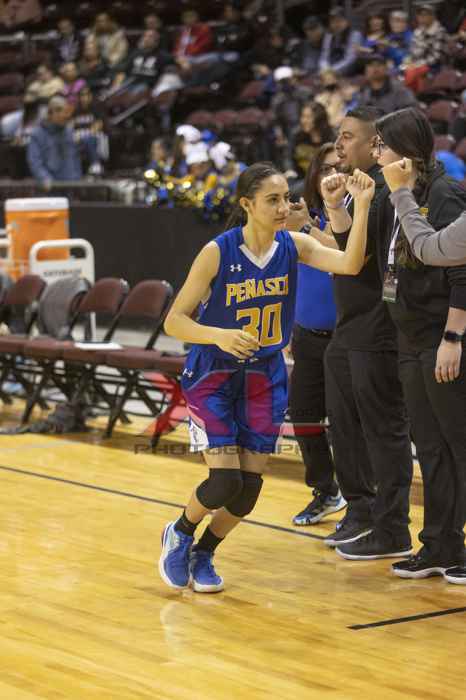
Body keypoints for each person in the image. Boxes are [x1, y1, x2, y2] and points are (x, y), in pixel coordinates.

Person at [158, 161, 375, 593]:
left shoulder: (295, 245)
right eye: (272, 200)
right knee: (225, 480)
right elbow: (174, 321)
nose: (283, 208)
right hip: (214, 375)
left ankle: (205, 552)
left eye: (286, 199)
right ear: (247, 204)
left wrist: (363, 204)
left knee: (249, 490)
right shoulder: (218, 251)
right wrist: (218, 334)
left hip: (264, 377)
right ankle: (180, 532)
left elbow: (351, 263)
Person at [374, 107, 466, 585]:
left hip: (440, 337)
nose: (377, 153)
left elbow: (461, 273)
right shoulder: (397, 193)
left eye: (382, 144)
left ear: (407, 149)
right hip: (411, 337)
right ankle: (439, 545)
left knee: (458, 443)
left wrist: (453, 337)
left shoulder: (444, 194)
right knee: (429, 446)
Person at [322, 107, 414, 560]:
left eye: (348, 136)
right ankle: (361, 511)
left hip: (378, 326)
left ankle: (393, 526)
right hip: (349, 324)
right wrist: (335, 207)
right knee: (343, 426)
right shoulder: (359, 188)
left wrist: (346, 207)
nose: (339, 144)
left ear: (374, 143)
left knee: (383, 430)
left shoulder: (386, 191)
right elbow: (348, 252)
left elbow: (364, 261)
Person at [285, 144, 346, 526]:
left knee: (346, 423)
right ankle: (326, 491)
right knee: (304, 416)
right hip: (306, 333)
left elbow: (347, 253)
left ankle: (362, 502)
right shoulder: (298, 214)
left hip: (346, 337)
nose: (331, 175)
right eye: (324, 169)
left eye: (338, 167)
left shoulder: (348, 212)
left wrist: (308, 228)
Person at [382, 157, 466, 265]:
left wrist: (400, 193)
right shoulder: (386, 191)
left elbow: (428, 250)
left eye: (382, 147)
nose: (375, 154)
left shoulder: (444, 190)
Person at [27, 95, 82, 188]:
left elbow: (75, 158)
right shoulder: (37, 134)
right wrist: (44, 178)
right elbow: (35, 162)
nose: (66, 116)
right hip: (51, 187)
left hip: (72, 184)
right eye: (63, 112)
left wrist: (78, 179)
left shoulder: (69, 131)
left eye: (67, 112)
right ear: (51, 113)